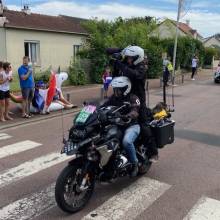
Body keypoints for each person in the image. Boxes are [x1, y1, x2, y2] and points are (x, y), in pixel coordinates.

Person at [107, 45, 159, 162]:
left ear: (137, 58)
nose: (128, 59)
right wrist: (117, 56)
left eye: (131, 58)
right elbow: (116, 76)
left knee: (144, 125)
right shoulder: (127, 64)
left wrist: (120, 64)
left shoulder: (142, 67)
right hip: (123, 96)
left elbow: (135, 75)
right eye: (128, 57)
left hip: (137, 100)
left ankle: (153, 152)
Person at [102, 76, 141, 177]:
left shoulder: (133, 98)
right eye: (115, 89)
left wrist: (128, 115)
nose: (116, 91)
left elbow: (135, 111)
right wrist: (94, 109)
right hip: (117, 125)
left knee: (126, 142)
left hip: (131, 126)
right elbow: (104, 105)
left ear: (125, 89)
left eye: (118, 89)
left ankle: (134, 163)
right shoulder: (114, 98)